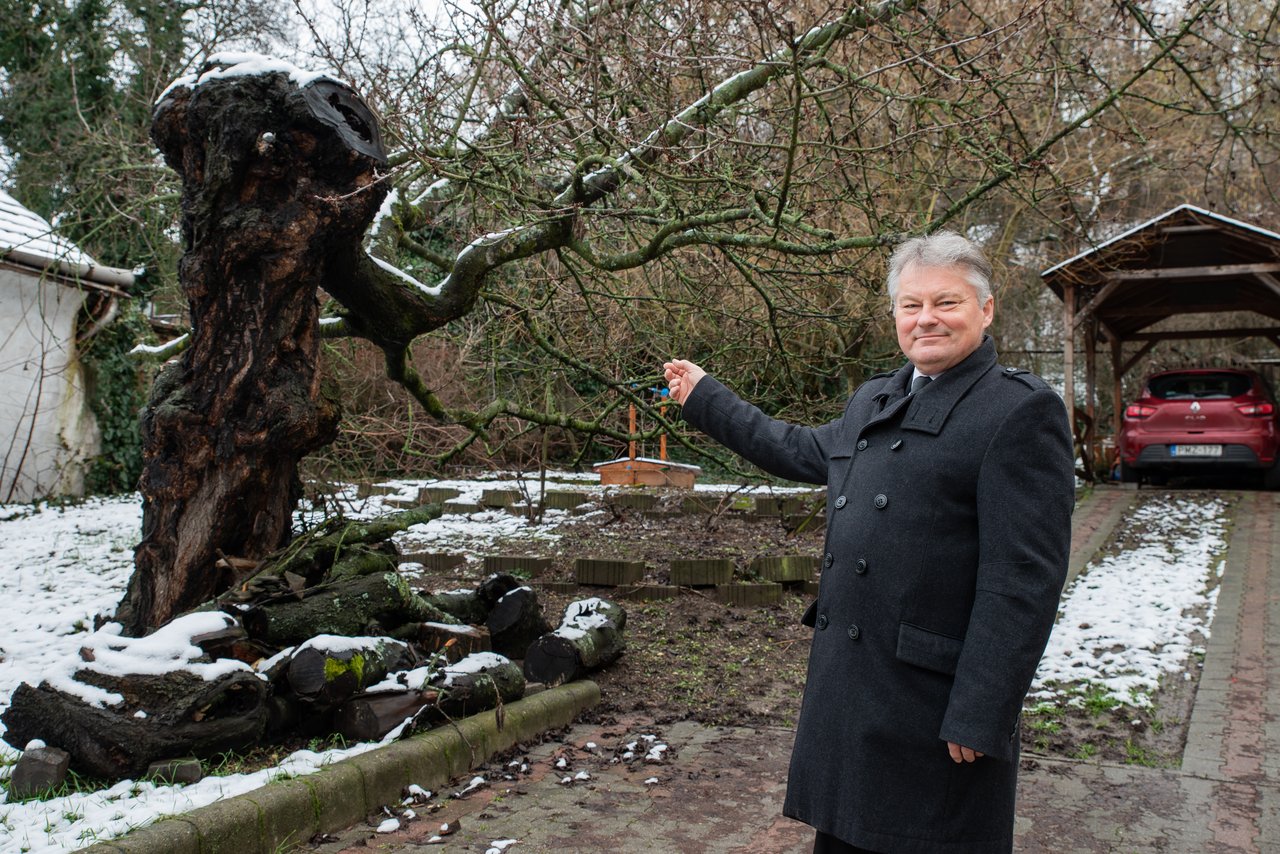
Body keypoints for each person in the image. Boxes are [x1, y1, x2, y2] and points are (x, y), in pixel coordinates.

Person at [663, 231, 1074, 853]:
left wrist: (983, 707)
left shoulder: (1018, 412)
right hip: (857, 688)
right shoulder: (877, 398)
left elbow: (1023, 578)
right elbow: (797, 447)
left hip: (933, 705)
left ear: (985, 310)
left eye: (947, 303)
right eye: (911, 305)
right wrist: (707, 398)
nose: (926, 319)